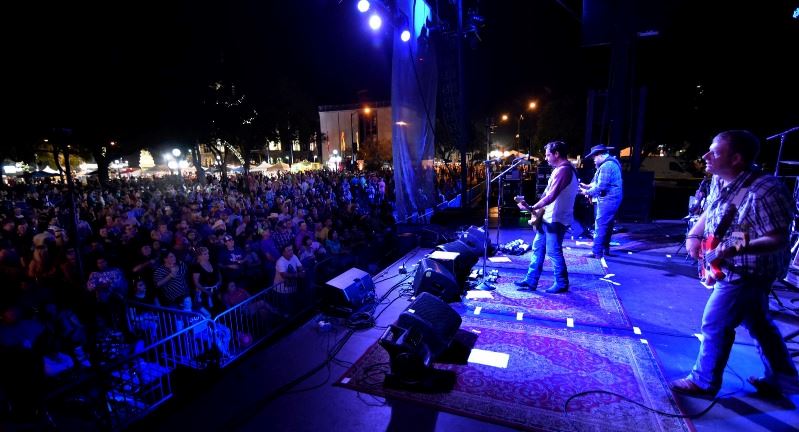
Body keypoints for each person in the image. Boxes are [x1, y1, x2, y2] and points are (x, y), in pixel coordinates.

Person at [670, 130, 799, 398]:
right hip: (729, 259)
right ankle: (784, 378)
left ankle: (704, 382)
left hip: (751, 268)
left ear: (737, 159)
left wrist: (729, 249)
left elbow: (776, 237)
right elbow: (712, 211)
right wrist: (694, 234)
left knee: (715, 322)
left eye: (714, 152)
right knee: (759, 322)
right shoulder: (720, 179)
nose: (705, 156)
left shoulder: (767, 190)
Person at [513, 141, 579, 293]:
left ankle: (562, 283)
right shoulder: (562, 169)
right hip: (550, 218)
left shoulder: (564, 171)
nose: (546, 157)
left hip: (556, 218)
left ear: (557, 154)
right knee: (538, 248)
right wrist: (533, 208)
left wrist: (533, 207)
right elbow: (548, 195)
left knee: (554, 251)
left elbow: (551, 195)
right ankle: (531, 280)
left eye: (548, 154)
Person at [579, 144, 623, 259]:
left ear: (600, 155)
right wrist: (587, 186)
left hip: (608, 200)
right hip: (612, 199)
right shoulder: (609, 164)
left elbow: (601, 187)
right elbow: (599, 184)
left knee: (601, 224)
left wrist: (586, 192)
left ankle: (596, 252)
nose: (593, 160)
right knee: (607, 225)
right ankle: (605, 249)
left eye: (594, 157)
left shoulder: (606, 166)